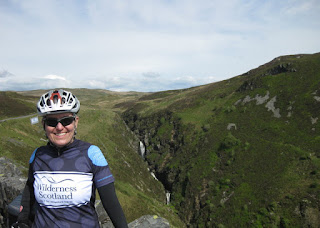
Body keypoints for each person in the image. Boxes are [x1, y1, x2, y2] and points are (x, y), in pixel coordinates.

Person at [13, 89, 128, 228]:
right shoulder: (37, 155)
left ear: (75, 122)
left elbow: (111, 203)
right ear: (44, 125)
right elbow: (29, 192)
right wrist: (22, 221)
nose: (60, 127)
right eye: (51, 122)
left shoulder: (91, 154)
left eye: (66, 120)